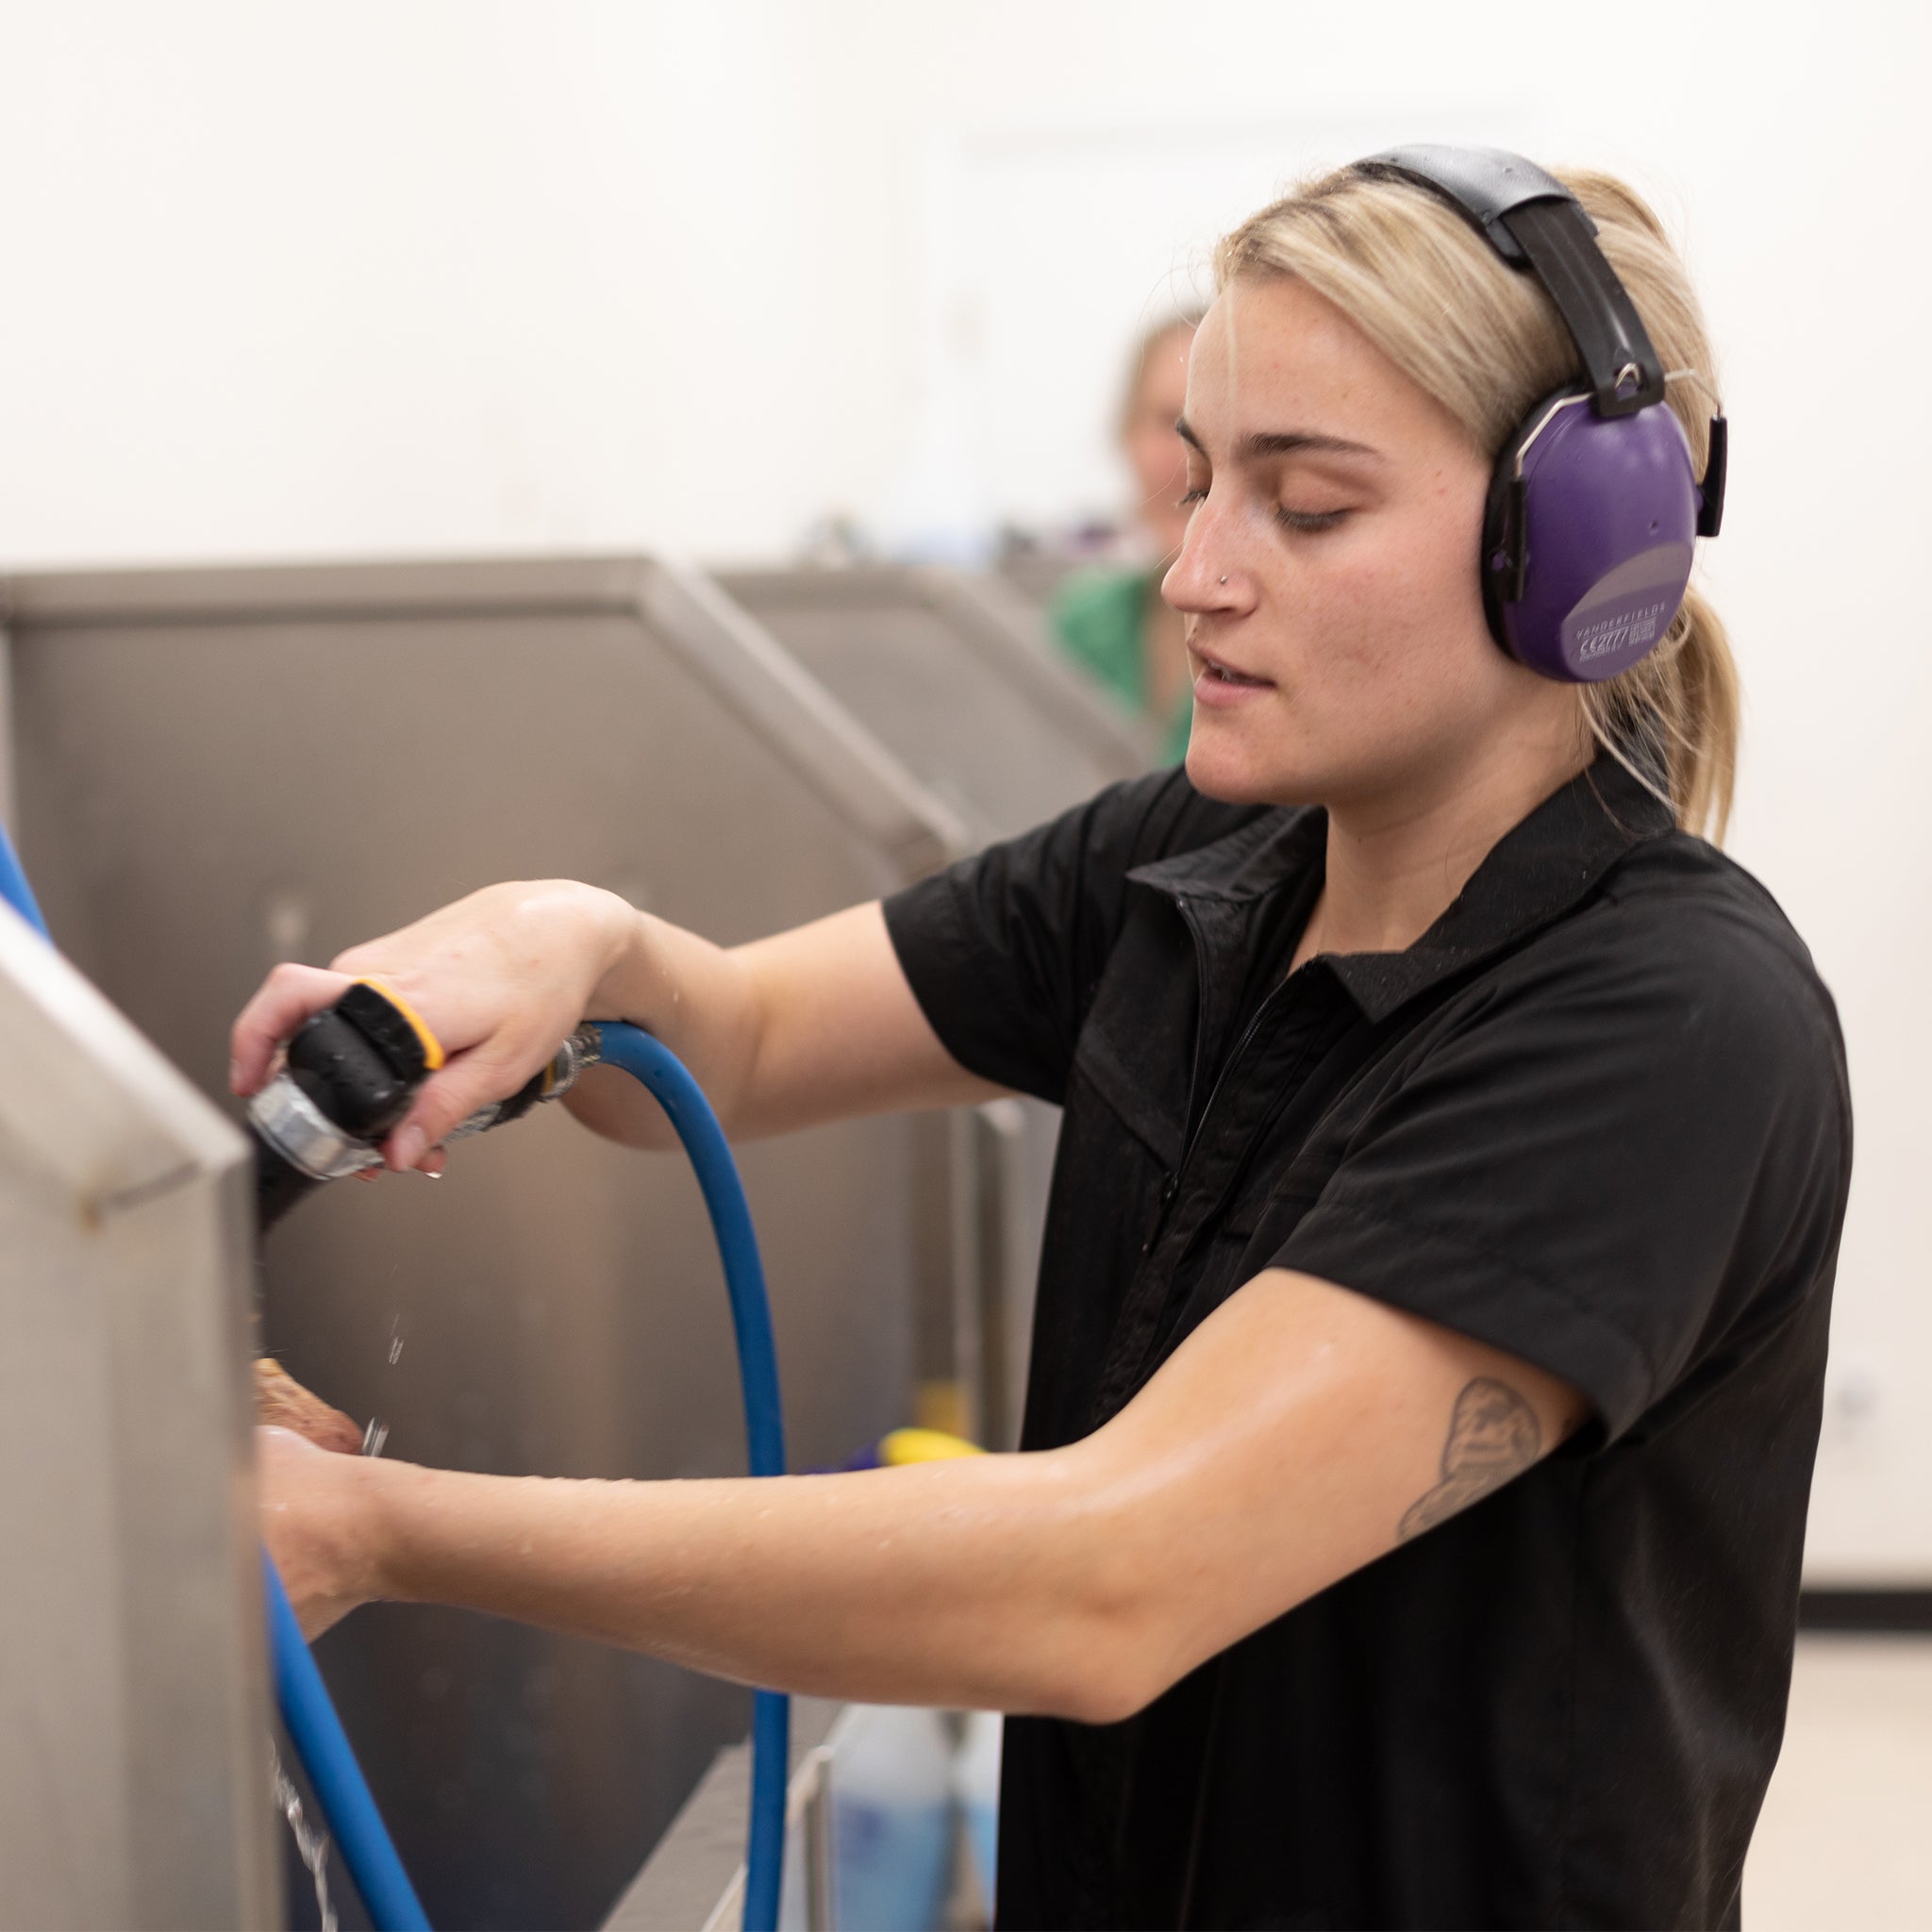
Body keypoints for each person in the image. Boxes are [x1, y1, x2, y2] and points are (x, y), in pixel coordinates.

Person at [241, 152, 1850, 1929]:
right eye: (1198, 483)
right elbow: (743, 1039)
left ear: (1579, 552)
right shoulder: (1195, 863)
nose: (1194, 574)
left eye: (1306, 508)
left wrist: (375, 1526)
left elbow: (1109, 1576)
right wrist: (581, 939)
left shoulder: (1667, 1021)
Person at [1050, 312, 1199, 761]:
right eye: (1169, 423)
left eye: (1214, 428)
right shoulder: (1083, 625)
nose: (1189, 460)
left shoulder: (1289, 648)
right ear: (1127, 436)